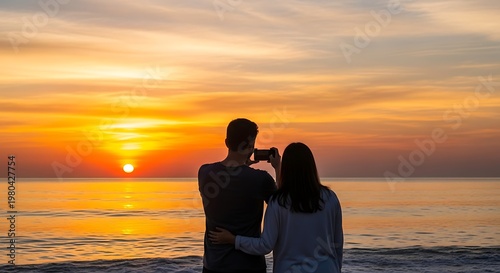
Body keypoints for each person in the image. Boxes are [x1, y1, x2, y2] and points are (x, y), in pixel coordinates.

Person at [209, 142, 343, 273]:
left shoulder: (279, 202)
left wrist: (233, 239)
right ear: (311, 166)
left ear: (286, 168)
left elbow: (265, 245)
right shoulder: (331, 199)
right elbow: (337, 242)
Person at [198, 118, 281, 273]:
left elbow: (231, 182)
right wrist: (278, 168)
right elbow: (283, 204)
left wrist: (241, 168)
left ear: (226, 142)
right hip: (249, 266)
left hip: (214, 265)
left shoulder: (205, 172)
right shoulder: (260, 180)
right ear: (250, 146)